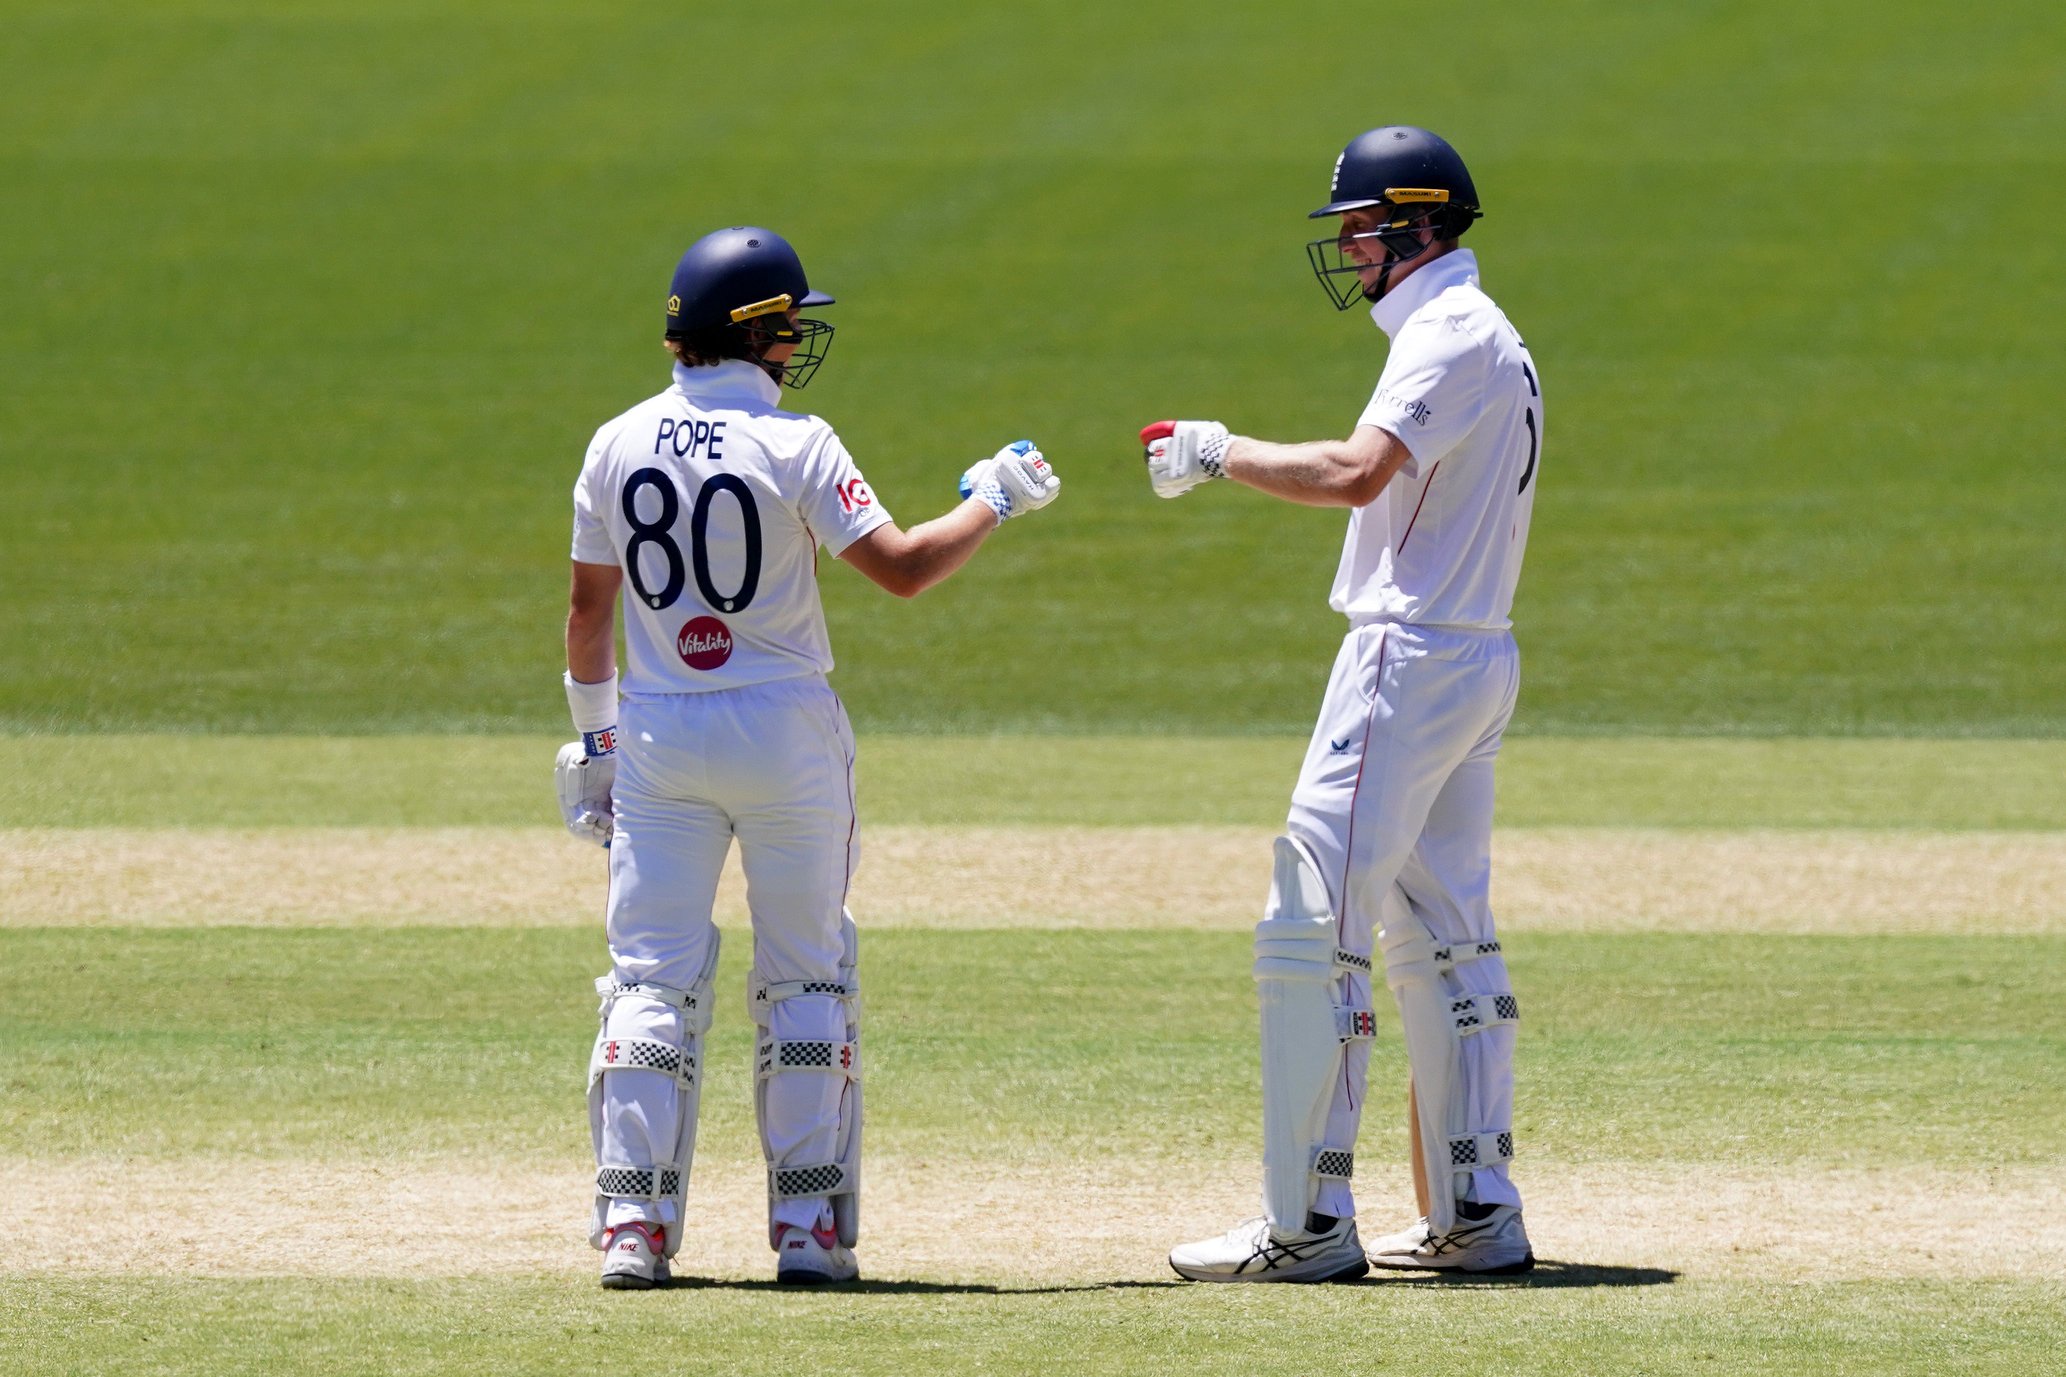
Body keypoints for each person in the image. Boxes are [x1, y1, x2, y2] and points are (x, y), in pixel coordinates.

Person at [554, 225, 1060, 1289]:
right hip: (784, 734)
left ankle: (633, 1232)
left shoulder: (613, 442)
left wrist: (596, 742)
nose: (797, 340)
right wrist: (995, 499)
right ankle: (806, 1233)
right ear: (757, 331)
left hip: (657, 733)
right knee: (804, 978)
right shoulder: (798, 444)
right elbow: (907, 569)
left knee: (649, 981)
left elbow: (586, 612)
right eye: (788, 323)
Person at [1149, 127, 1541, 1281]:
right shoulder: (1486, 330)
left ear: (1416, 225)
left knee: (1308, 923)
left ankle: (1304, 1225)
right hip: (1471, 657)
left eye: (1361, 227)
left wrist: (1217, 452)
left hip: (1406, 659)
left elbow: (1354, 474)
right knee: (1442, 935)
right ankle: (1479, 1213)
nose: (1350, 247)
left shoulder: (1447, 330)